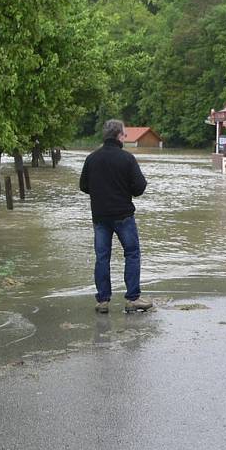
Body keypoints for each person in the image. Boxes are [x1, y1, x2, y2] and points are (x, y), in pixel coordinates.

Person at [79, 119, 152, 314]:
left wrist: (101, 192)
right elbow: (140, 188)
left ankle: (103, 301)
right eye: (124, 134)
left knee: (102, 257)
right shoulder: (126, 159)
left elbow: (83, 186)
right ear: (120, 136)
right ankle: (132, 299)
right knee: (132, 253)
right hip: (123, 215)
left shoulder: (92, 158)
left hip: (100, 216)